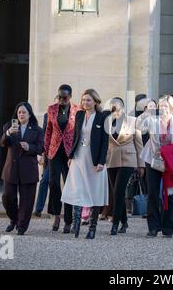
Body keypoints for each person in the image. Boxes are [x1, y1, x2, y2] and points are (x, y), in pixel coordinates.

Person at [61, 89, 109, 239]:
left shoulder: (103, 117)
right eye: (83, 100)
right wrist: (71, 155)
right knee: (77, 189)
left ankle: (92, 228)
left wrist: (101, 162)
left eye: (88, 100)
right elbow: (75, 136)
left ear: (95, 101)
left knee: (94, 191)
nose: (85, 103)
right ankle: (76, 224)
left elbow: (104, 142)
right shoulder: (79, 115)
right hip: (79, 156)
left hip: (94, 160)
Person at [140, 95, 173, 238]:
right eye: (161, 106)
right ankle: (153, 227)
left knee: (171, 194)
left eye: (166, 106)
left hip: (170, 163)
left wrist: (170, 153)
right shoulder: (151, 121)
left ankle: (168, 227)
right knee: (153, 194)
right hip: (153, 160)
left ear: (172, 108)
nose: (163, 109)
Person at [0, 102, 44, 235]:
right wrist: (7, 133)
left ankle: (22, 226)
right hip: (11, 168)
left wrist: (29, 147)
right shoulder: (9, 126)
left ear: (29, 114)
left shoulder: (38, 130)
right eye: (19, 112)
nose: (21, 114)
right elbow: (3, 143)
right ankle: (14, 219)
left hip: (28, 169)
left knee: (27, 200)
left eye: (24, 112)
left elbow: (41, 148)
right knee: (7, 197)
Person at [106, 97, 145, 235]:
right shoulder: (107, 121)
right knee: (118, 193)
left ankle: (115, 223)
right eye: (112, 106)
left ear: (123, 107)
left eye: (117, 106)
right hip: (111, 159)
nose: (114, 109)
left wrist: (141, 165)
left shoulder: (134, 121)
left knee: (118, 191)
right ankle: (125, 221)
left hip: (128, 158)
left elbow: (139, 143)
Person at [45, 85, 80, 233]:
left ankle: (68, 220)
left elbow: (79, 132)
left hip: (70, 153)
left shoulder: (78, 110)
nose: (61, 100)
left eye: (64, 97)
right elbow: (48, 131)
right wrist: (45, 152)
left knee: (69, 186)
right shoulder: (52, 108)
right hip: (54, 151)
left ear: (70, 96)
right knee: (53, 183)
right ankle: (56, 215)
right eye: (59, 97)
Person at [33, 95, 59, 217]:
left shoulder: (72, 115)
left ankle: (57, 211)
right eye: (56, 102)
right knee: (45, 180)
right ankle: (38, 208)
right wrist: (42, 155)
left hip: (65, 156)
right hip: (50, 155)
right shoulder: (47, 115)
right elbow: (45, 136)